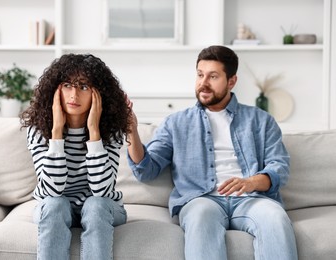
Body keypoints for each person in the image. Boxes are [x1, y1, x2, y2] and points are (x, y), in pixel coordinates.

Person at [126, 45, 298, 260]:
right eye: (200, 75)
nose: (203, 83)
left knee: (275, 217)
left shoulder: (261, 120)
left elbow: (279, 168)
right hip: (201, 199)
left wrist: (252, 182)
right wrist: (132, 131)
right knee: (201, 217)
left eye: (213, 76)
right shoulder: (175, 123)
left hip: (251, 198)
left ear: (231, 81)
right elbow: (146, 170)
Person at [20, 53, 132, 260]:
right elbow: (52, 191)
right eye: (67, 85)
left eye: (83, 87)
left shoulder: (112, 131)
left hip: (103, 207)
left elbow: (101, 191)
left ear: (98, 94)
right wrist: (56, 133)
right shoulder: (38, 130)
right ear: (55, 90)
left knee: (95, 205)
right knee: (55, 204)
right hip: (57, 207)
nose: (73, 95)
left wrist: (94, 132)